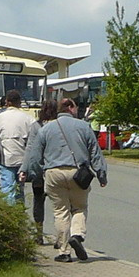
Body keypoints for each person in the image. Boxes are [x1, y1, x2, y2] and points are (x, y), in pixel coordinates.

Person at [19, 98, 107, 262]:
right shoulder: (84, 126)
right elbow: (95, 152)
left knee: (61, 212)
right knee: (79, 208)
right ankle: (77, 235)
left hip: (53, 173)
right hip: (78, 174)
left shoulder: (45, 129)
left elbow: (35, 156)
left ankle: (64, 252)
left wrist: (35, 174)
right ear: (71, 108)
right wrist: (101, 174)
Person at [0, 89, 36, 205]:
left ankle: (10, 216)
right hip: (23, 161)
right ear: (20, 102)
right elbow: (35, 139)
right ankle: (20, 215)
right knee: (20, 190)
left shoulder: (0, 118)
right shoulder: (28, 118)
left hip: (6, 159)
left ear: (7, 102)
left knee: (7, 190)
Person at [27, 100, 59, 244]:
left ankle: (39, 234)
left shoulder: (36, 126)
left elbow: (31, 150)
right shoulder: (59, 126)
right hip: (55, 169)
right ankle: (60, 237)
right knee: (59, 205)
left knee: (38, 203)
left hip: (40, 170)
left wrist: (28, 169)